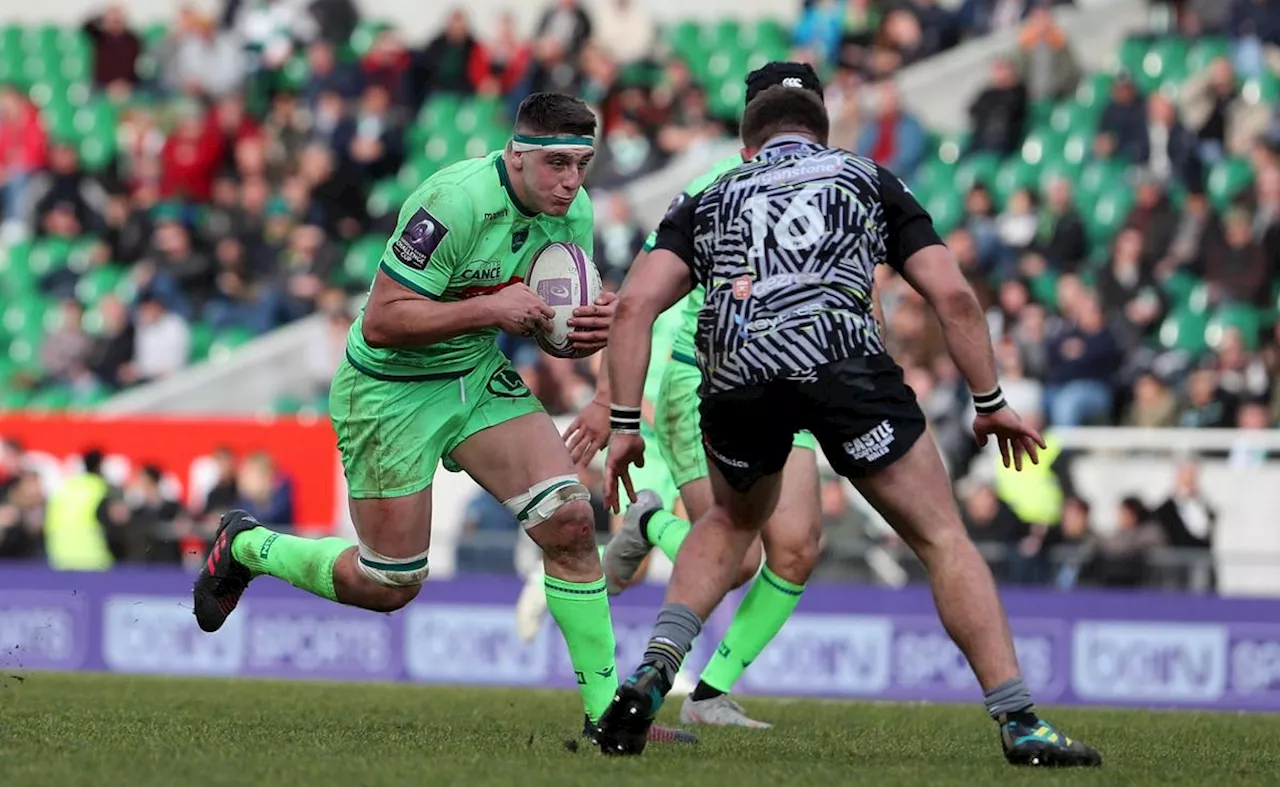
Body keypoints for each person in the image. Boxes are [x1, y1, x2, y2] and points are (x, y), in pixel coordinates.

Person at [594, 85, 1102, 767]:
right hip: (843, 365)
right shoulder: (862, 175)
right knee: (943, 536)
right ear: (821, 136)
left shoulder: (713, 192)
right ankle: (1020, 721)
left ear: (749, 144)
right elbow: (950, 293)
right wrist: (989, 401)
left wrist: (626, 421)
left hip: (740, 375)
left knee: (731, 523)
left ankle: (653, 670)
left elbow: (631, 309)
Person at [192, 92, 696, 747]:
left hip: (474, 375)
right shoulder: (453, 201)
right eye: (556, 164)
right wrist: (490, 310)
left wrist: (583, 332)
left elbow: (553, 326)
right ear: (516, 155)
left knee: (570, 522)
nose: (571, 182)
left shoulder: (572, 212)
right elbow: (382, 320)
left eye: (582, 164)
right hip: (390, 389)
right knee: (389, 582)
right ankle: (248, 545)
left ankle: (607, 718)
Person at [518, 63, 834, 729]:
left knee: (799, 546)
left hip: (797, 381)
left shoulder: (838, 186)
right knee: (741, 553)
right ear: (751, 128)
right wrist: (613, 400)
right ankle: (652, 527)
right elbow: (638, 301)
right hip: (710, 378)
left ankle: (711, 693)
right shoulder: (708, 189)